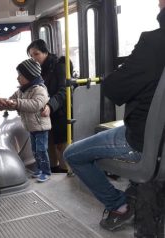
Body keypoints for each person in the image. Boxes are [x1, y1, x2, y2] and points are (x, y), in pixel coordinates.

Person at [63, 1, 165, 233]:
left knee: (73, 154)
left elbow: (116, 89)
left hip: (144, 141)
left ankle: (119, 205)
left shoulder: (153, 42)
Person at [0, 59, 52, 182]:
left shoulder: (39, 89)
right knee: (35, 150)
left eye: (20, 75)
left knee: (41, 149)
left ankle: (46, 171)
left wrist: (16, 103)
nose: (17, 78)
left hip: (41, 127)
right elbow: (13, 100)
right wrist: (5, 103)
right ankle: (39, 169)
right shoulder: (21, 90)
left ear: (30, 76)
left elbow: (36, 104)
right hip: (31, 127)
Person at [27, 39, 74, 176]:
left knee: (62, 145)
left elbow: (64, 91)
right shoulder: (38, 70)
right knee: (49, 144)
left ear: (45, 52)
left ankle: (67, 172)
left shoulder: (59, 66)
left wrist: (50, 105)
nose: (34, 58)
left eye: (36, 54)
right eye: (31, 56)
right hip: (46, 112)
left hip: (60, 110)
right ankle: (53, 170)